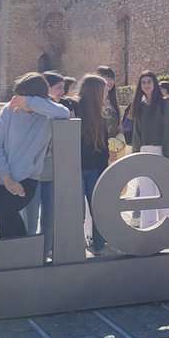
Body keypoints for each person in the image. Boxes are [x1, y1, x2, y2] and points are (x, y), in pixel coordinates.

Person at [0, 73, 71, 239]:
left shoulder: (47, 114)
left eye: (22, 96)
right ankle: (12, 262)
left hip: (27, 178)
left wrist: (31, 103)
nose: (16, 99)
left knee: (10, 220)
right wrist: (7, 178)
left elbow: (64, 112)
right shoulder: (9, 111)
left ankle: (24, 258)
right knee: (4, 228)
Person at [23, 71, 66, 259]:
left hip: (49, 169)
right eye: (59, 88)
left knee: (50, 219)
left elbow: (61, 112)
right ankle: (29, 256)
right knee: (30, 219)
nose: (63, 92)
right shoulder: (25, 109)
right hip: (31, 172)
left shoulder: (54, 108)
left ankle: (44, 252)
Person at [129, 71, 169, 228]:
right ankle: (148, 225)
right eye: (143, 82)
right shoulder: (140, 105)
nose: (146, 85)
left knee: (163, 191)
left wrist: (167, 155)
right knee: (146, 193)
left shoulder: (165, 103)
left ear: (154, 83)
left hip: (160, 150)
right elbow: (137, 133)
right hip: (144, 150)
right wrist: (135, 155)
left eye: (149, 81)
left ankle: (168, 226)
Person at [74, 73, 109, 255]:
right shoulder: (74, 108)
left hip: (94, 169)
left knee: (97, 207)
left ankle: (99, 243)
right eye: (104, 91)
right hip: (76, 169)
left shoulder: (99, 114)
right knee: (76, 211)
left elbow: (103, 146)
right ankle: (75, 244)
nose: (106, 95)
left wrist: (105, 170)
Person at [96, 65, 125, 163]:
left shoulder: (113, 102)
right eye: (106, 78)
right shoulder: (93, 102)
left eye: (112, 78)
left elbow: (119, 127)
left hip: (115, 150)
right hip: (99, 150)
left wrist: (116, 145)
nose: (110, 81)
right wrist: (108, 150)